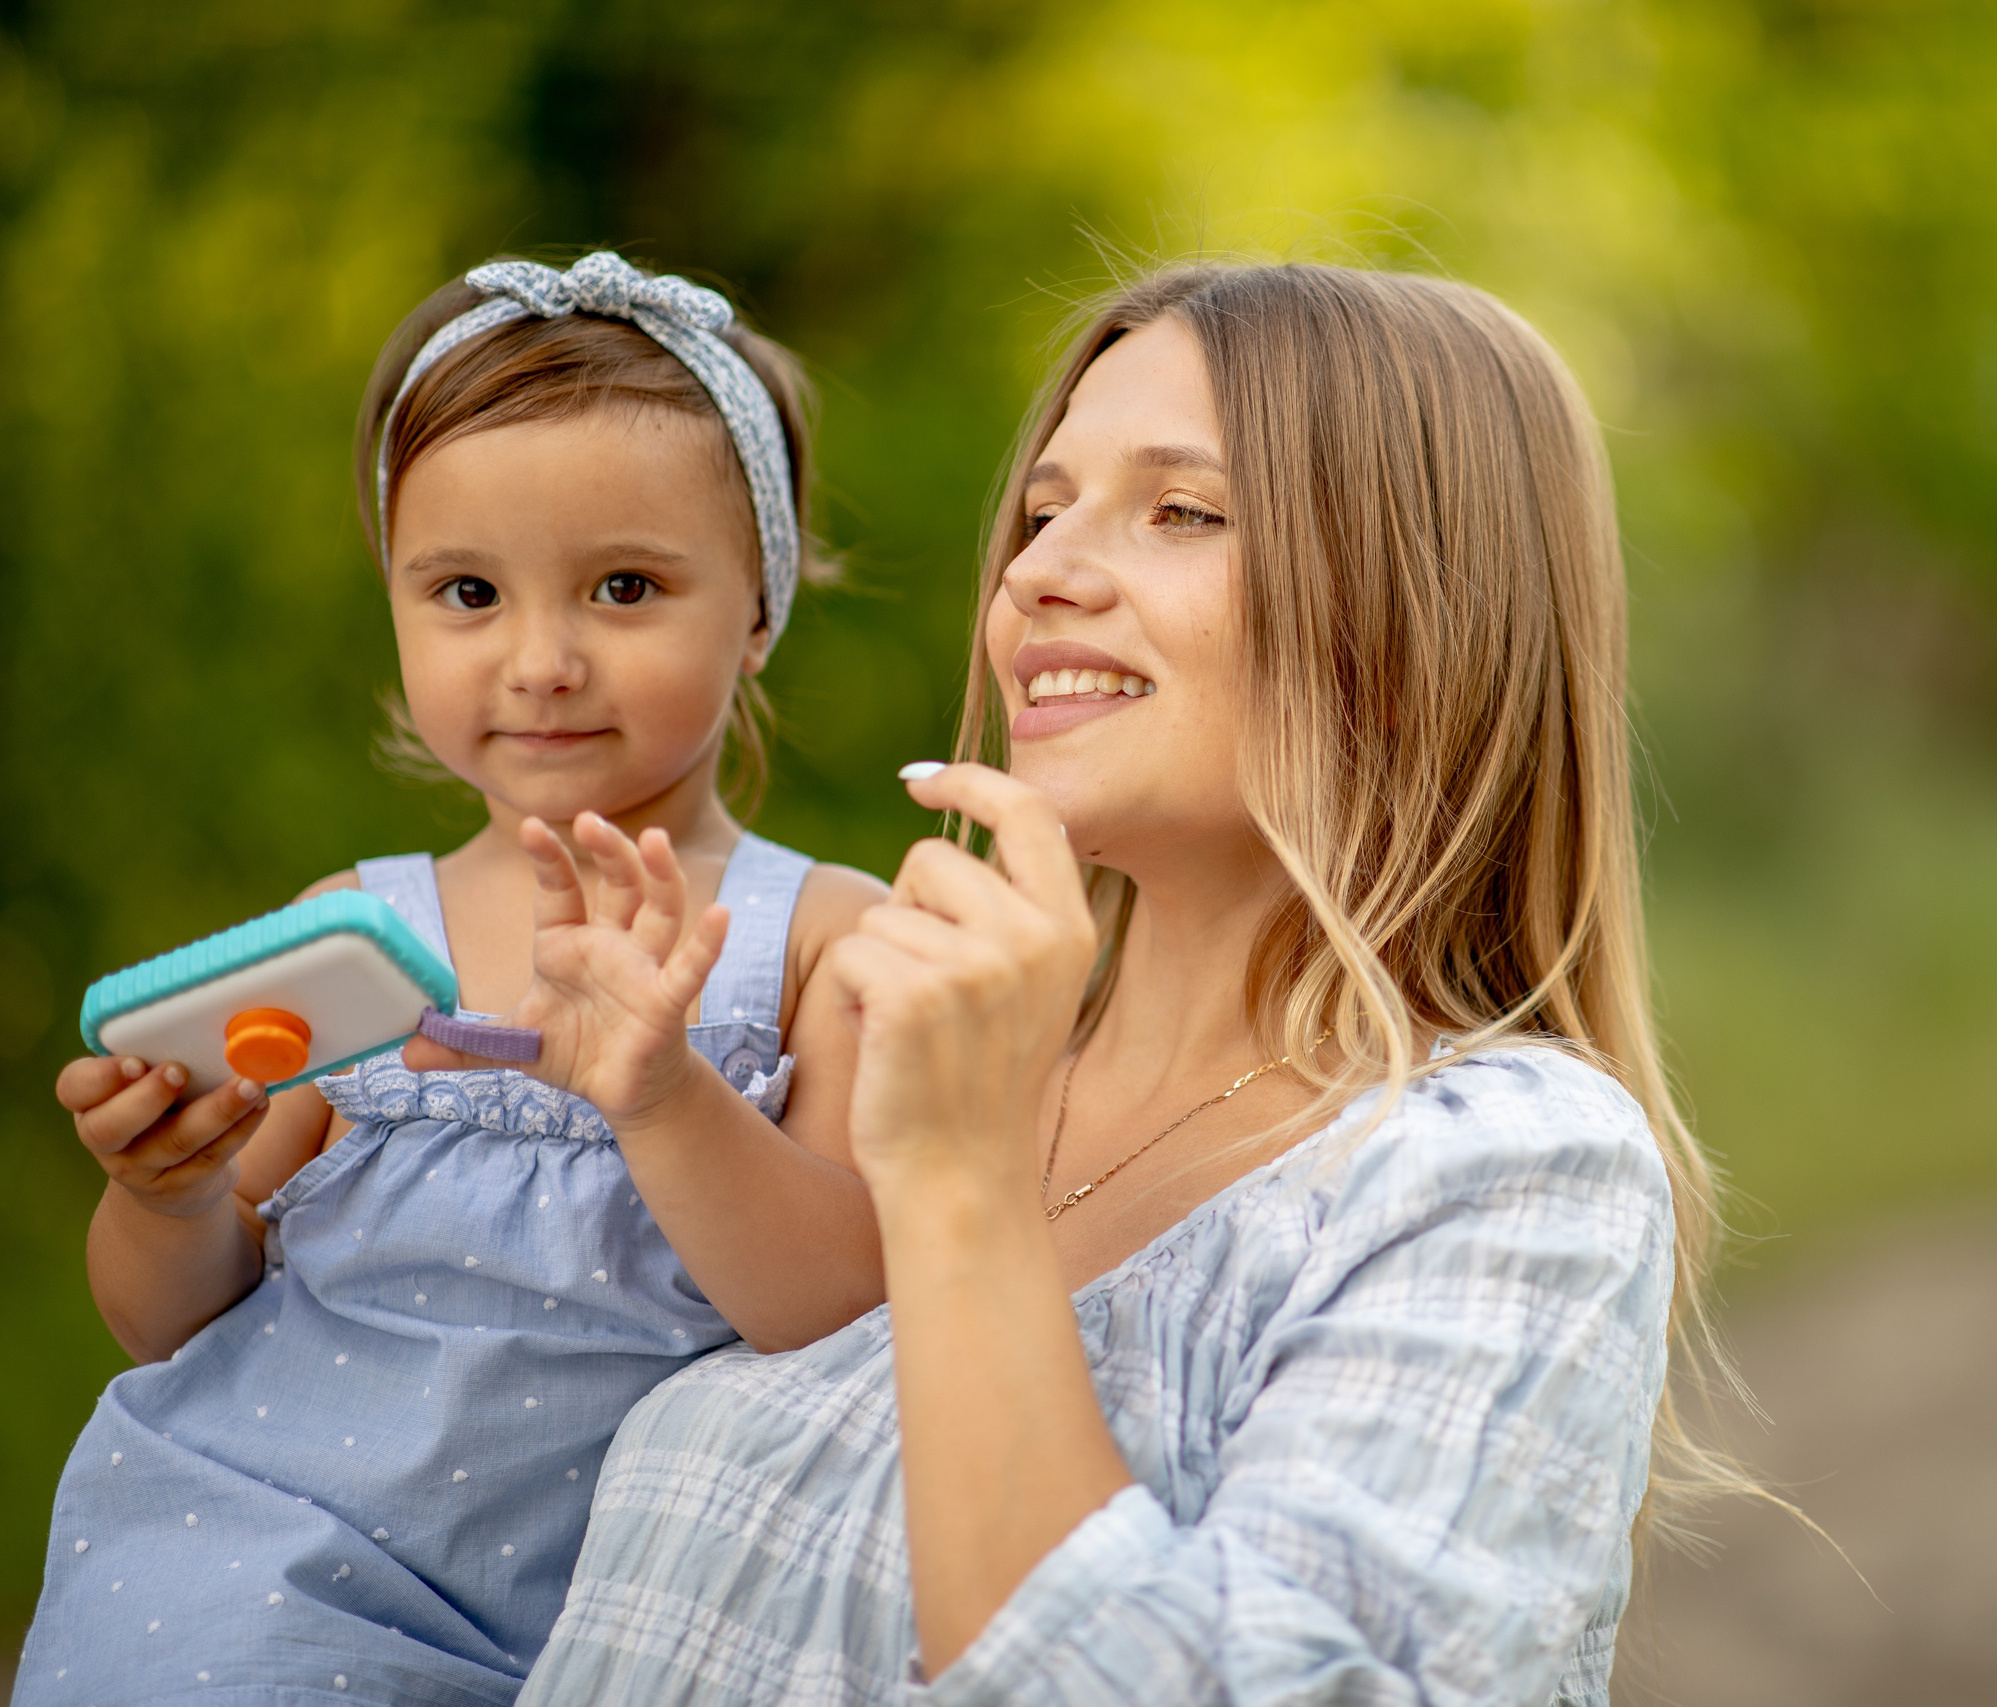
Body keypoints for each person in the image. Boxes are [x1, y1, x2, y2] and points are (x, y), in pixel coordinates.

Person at [487, 260, 1746, 1706]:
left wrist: (959, 1190)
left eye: (1183, 511)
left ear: (1414, 627)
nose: (1034, 574)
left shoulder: (1505, 1166)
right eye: (1041, 512)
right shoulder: (861, 1085)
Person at [24, 252, 888, 1704]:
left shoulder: (819, 939)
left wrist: (663, 1092)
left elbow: (833, 1311)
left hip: (614, 1623)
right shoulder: (357, 938)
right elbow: (177, 1318)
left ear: (757, 609)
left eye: (625, 588)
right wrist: (164, 1196)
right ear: (399, 609)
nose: (541, 661)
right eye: (468, 593)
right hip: (264, 1569)